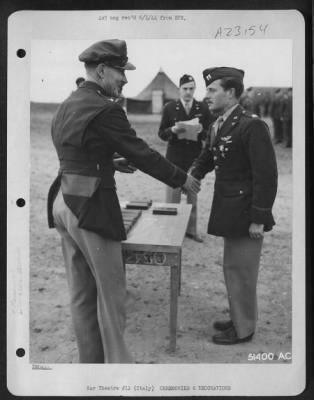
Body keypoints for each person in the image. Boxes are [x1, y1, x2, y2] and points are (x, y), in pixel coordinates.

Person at [47, 39, 200, 363]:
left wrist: (107, 163)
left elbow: (74, 150)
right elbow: (141, 152)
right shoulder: (106, 108)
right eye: (121, 71)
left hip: (63, 201)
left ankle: (91, 368)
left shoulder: (68, 103)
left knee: (82, 295)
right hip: (90, 207)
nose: (126, 79)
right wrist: (182, 179)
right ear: (101, 70)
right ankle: (117, 372)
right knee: (112, 295)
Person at [190, 67, 278, 345]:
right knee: (233, 267)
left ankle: (244, 329)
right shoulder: (221, 123)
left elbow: (266, 176)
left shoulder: (250, 125)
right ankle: (240, 317)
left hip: (246, 212)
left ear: (231, 93)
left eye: (212, 90)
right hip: (231, 208)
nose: (207, 96)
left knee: (242, 270)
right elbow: (208, 155)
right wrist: (192, 175)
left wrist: (259, 219)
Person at [158, 74, 214, 242]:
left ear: (195, 89)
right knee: (172, 197)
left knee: (192, 196)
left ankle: (191, 230)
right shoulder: (169, 107)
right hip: (174, 158)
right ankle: (171, 230)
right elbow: (161, 133)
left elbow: (210, 135)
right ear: (179, 89)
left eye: (191, 89)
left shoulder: (203, 108)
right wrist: (172, 131)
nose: (188, 92)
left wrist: (201, 131)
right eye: (185, 89)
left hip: (194, 158)